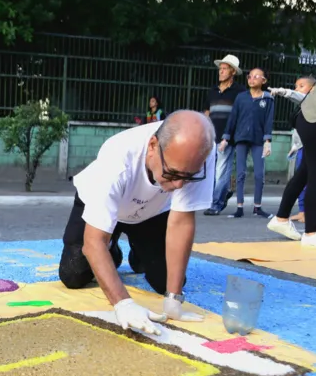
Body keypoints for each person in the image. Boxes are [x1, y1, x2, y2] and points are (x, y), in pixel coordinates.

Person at [58, 110, 214, 335]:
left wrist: (173, 298)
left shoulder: (200, 150)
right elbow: (93, 243)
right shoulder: (116, 158)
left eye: (188, 177)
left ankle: (138, 252)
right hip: (105, 209)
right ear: (152, 145)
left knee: (164, 281)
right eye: (172, 174)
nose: (180, 186)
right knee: (73, 275)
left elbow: (181, 221)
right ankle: (113, 250)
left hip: (150, 212)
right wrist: (123, 303)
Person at [218, 67, 275, 219]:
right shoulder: (241, 97)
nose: (252, 79)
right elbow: (233, 118)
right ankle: (239, 208)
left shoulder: (268, 98)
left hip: (258, 139)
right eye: (250, 76)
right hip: (241, 138)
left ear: (264, 80)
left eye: (257, 76)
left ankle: (258, 207)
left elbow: (269, 121)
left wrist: (267, 141)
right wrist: (225, 138)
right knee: (240, 174)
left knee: (258, 174)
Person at [267, 79, 316, 247]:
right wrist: (285, 91)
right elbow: (302, 95)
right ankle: (311, 232)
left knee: (304, 172)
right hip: (313, 121)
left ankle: (281, 218)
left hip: (307, 120)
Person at [204, 54, 246, 216]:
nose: (220, 72)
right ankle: (226, 190)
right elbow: (207, 111)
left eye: (224, 69)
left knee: (221, 170)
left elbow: (241, 114)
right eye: (220, 69)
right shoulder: (213, 90)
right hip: (211, 136)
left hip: (227, 137)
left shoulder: (240, 92)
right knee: (213, 170)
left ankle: (216, 204)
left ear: (233, 72)